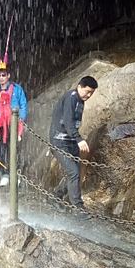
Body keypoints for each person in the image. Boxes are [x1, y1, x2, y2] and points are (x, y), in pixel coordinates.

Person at [49, 75, 98, 209]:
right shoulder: (71, 97)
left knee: (75, 173)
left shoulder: (80, 100)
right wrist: (79, 139)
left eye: (91, 93)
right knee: (74, 173)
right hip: (59, 141)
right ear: (79, 87)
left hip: (70, 142)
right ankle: (79, 209)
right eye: (87, 91)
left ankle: (56, 196)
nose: (88, 95)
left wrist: (75, 140)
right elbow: (68, 121)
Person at [0, 61, 28, 187]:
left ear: (8, 75)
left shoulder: (17, 89)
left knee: (14, 149)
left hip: (13, 124)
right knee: (1, 151)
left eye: (3, 75)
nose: (1, 78)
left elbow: (23, 105)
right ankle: (4, 174)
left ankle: (15, 174)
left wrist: (22, 119)